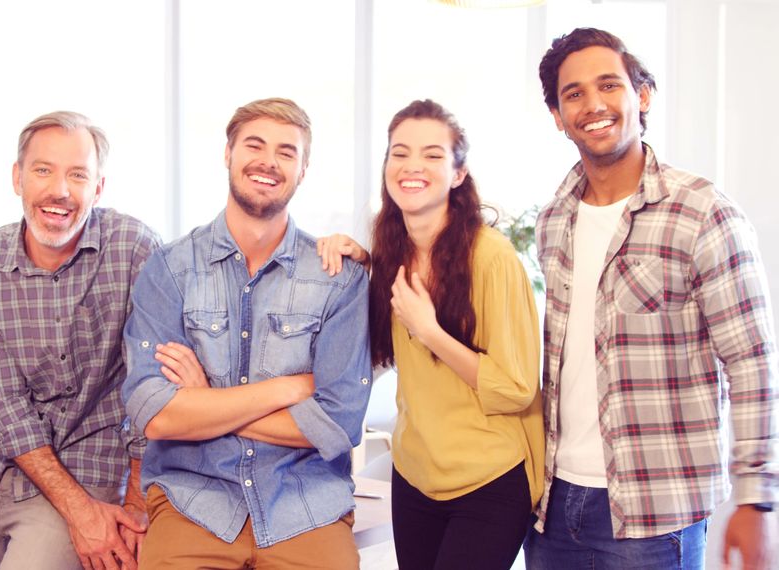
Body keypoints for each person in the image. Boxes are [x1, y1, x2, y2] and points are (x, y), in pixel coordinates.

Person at [523, 27, 778, 570]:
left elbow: (753, 363)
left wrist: (758, 498)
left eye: (609, 85)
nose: (593, 104)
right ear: (557, 116)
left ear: (641, 96)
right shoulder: (552, 222)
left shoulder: (703, 212)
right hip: (552, 503)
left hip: (654, 516)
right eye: (573, 94)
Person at [121, 97, 372, 568]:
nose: (268, 161)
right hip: (193, 503)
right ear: (228, 154)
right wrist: (288, 389)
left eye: (287, 151)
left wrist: (206, 399)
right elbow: (153, 414)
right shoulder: (169, 270)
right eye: (254, 145)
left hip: (307, 506)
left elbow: (338, 425)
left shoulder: (339, 277)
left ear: (303, 169)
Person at [318, 99, 544, 569]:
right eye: (399, 153)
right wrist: (359, 265)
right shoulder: (392, 249)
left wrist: (430, 331)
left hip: (489, 479)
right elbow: (376, 351)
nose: (412, 166)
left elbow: (517, 388)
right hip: (416, 475)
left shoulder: (491, 257)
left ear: (459, 174)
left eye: (432, 155)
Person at [0, 111, 160, 570]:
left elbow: (148, 387)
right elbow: (6, 405)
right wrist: (81, 515)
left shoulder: (135, 250)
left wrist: (136, 505)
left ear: (98, 188)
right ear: (17, 178)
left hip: (91, 460)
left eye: (77, 174)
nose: (59, 190)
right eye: (43, 170)